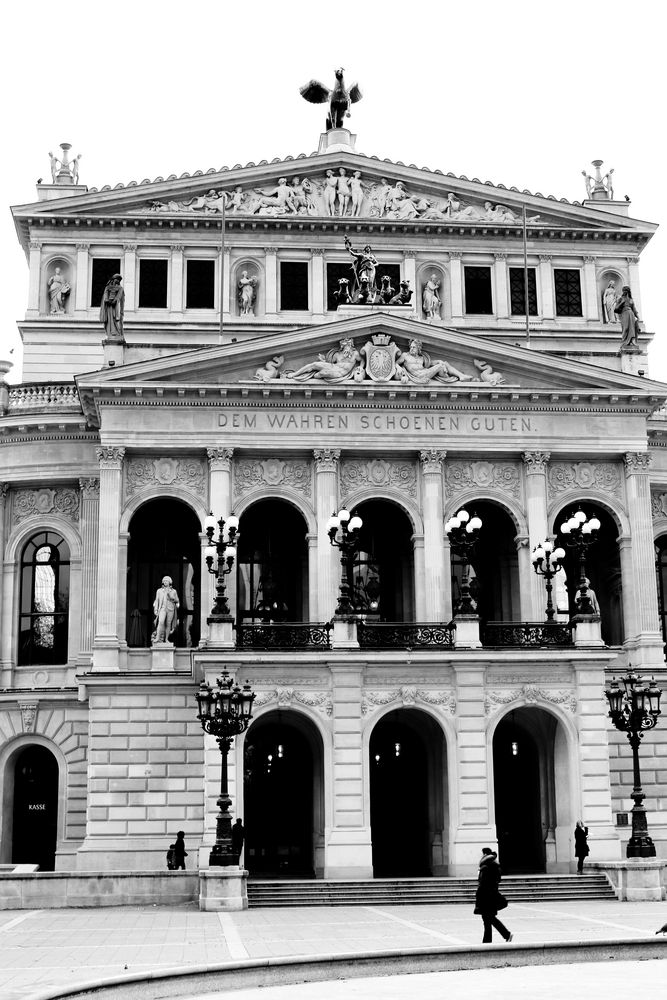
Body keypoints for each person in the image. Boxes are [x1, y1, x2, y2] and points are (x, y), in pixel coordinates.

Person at [474, 847, 513, 944]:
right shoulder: (493, 866)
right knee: (488, 919)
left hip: (487, 897)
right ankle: (488, 941)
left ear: (485, 854)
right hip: (490, 896)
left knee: (489, 919)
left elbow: (484, 884)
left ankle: (506, 934)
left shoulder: (486, 867)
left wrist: (480, 894)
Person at [152, 576, 180, 643]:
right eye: (164, 581)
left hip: (171, 609)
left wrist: (171, 597)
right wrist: (155, 609)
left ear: (170, 582)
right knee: (160, 622)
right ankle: (157, 638)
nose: (165, 582)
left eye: (166, 581)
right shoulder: (159, 591)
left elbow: (177, 600)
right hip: (162, 608)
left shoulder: (173, 591)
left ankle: (166, 639)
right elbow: (157, 600)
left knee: (168, 624)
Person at [614, 285, 641, 351]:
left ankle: (632, 341)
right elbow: (615, 309)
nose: (625, 292)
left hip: (631, 313)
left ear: (629, 292)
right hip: (624, 314)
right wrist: (621, 303)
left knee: (632, 328)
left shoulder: (631, 300)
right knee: (625, 328)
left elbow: (634, 309)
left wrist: (638, 317)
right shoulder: (620, 299)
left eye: (627, 291)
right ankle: (624, 341)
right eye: (624, 291)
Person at [99, 273, 125, 341]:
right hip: (108, 306)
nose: (118, 281)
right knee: (109, 318)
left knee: (115, 318)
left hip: (115, 306)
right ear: (114, 279)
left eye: (119, 280)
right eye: (117, 279)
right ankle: (110, 331)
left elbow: (119, 295)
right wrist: (106, 299)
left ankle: (116, 331)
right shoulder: (108, 287)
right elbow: (105, 294)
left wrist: (115, 300)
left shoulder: (120, 288)